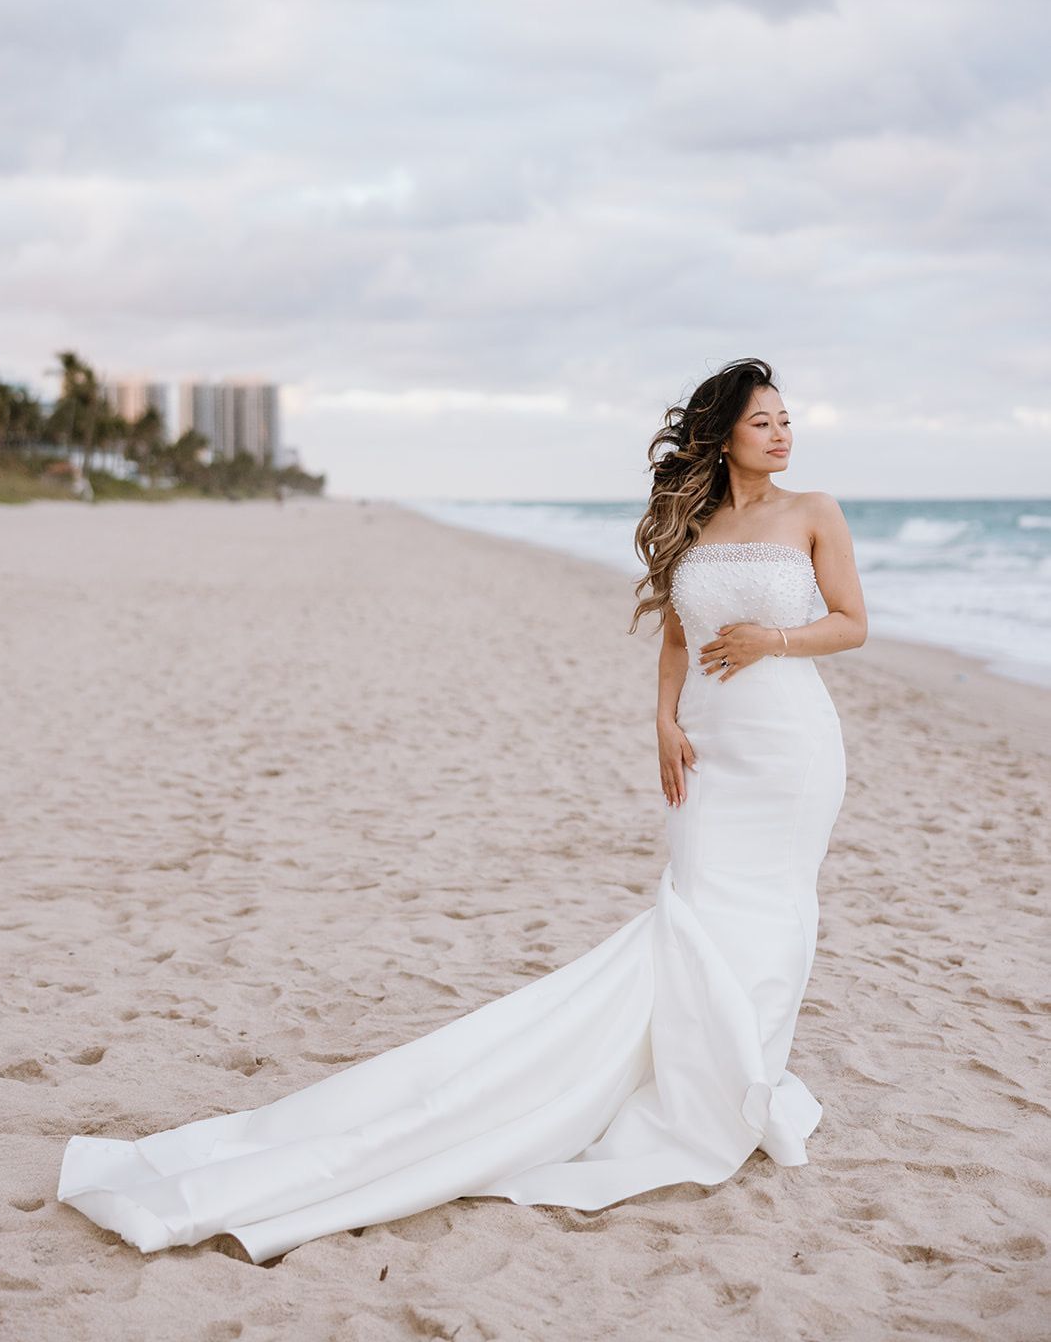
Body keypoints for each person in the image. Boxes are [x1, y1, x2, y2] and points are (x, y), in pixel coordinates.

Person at [57, 356, 867, 1264]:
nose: (783, 433)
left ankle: (740, 1084)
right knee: (698, 907)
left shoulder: (814, 513)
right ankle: (702, 1081)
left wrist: (774, 639)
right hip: (711, 748)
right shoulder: (694, 521)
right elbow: (675, 637)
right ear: (721, 437)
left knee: (771, 915)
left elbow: (851, 622)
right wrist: (662, 724)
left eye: (787, 420)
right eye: (764, 422)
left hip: (791, 749)